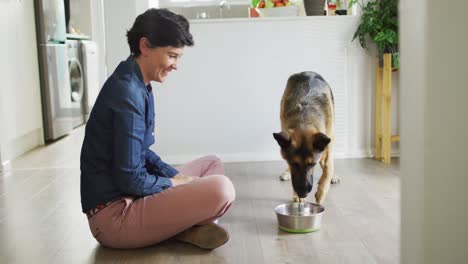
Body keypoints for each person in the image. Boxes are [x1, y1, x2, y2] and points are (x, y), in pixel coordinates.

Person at [80, 8, 236, 250]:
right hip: (115, 218)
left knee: (211, 164)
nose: (176, 66)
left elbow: (142, 153)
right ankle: (183, 227)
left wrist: (175, 176)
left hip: (135, 198)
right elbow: (130, 179)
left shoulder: (138, 82)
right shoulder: (127, 93)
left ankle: (180, 226)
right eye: (172, 56)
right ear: (145, 46)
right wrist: (175, 185)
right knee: (222, 188)